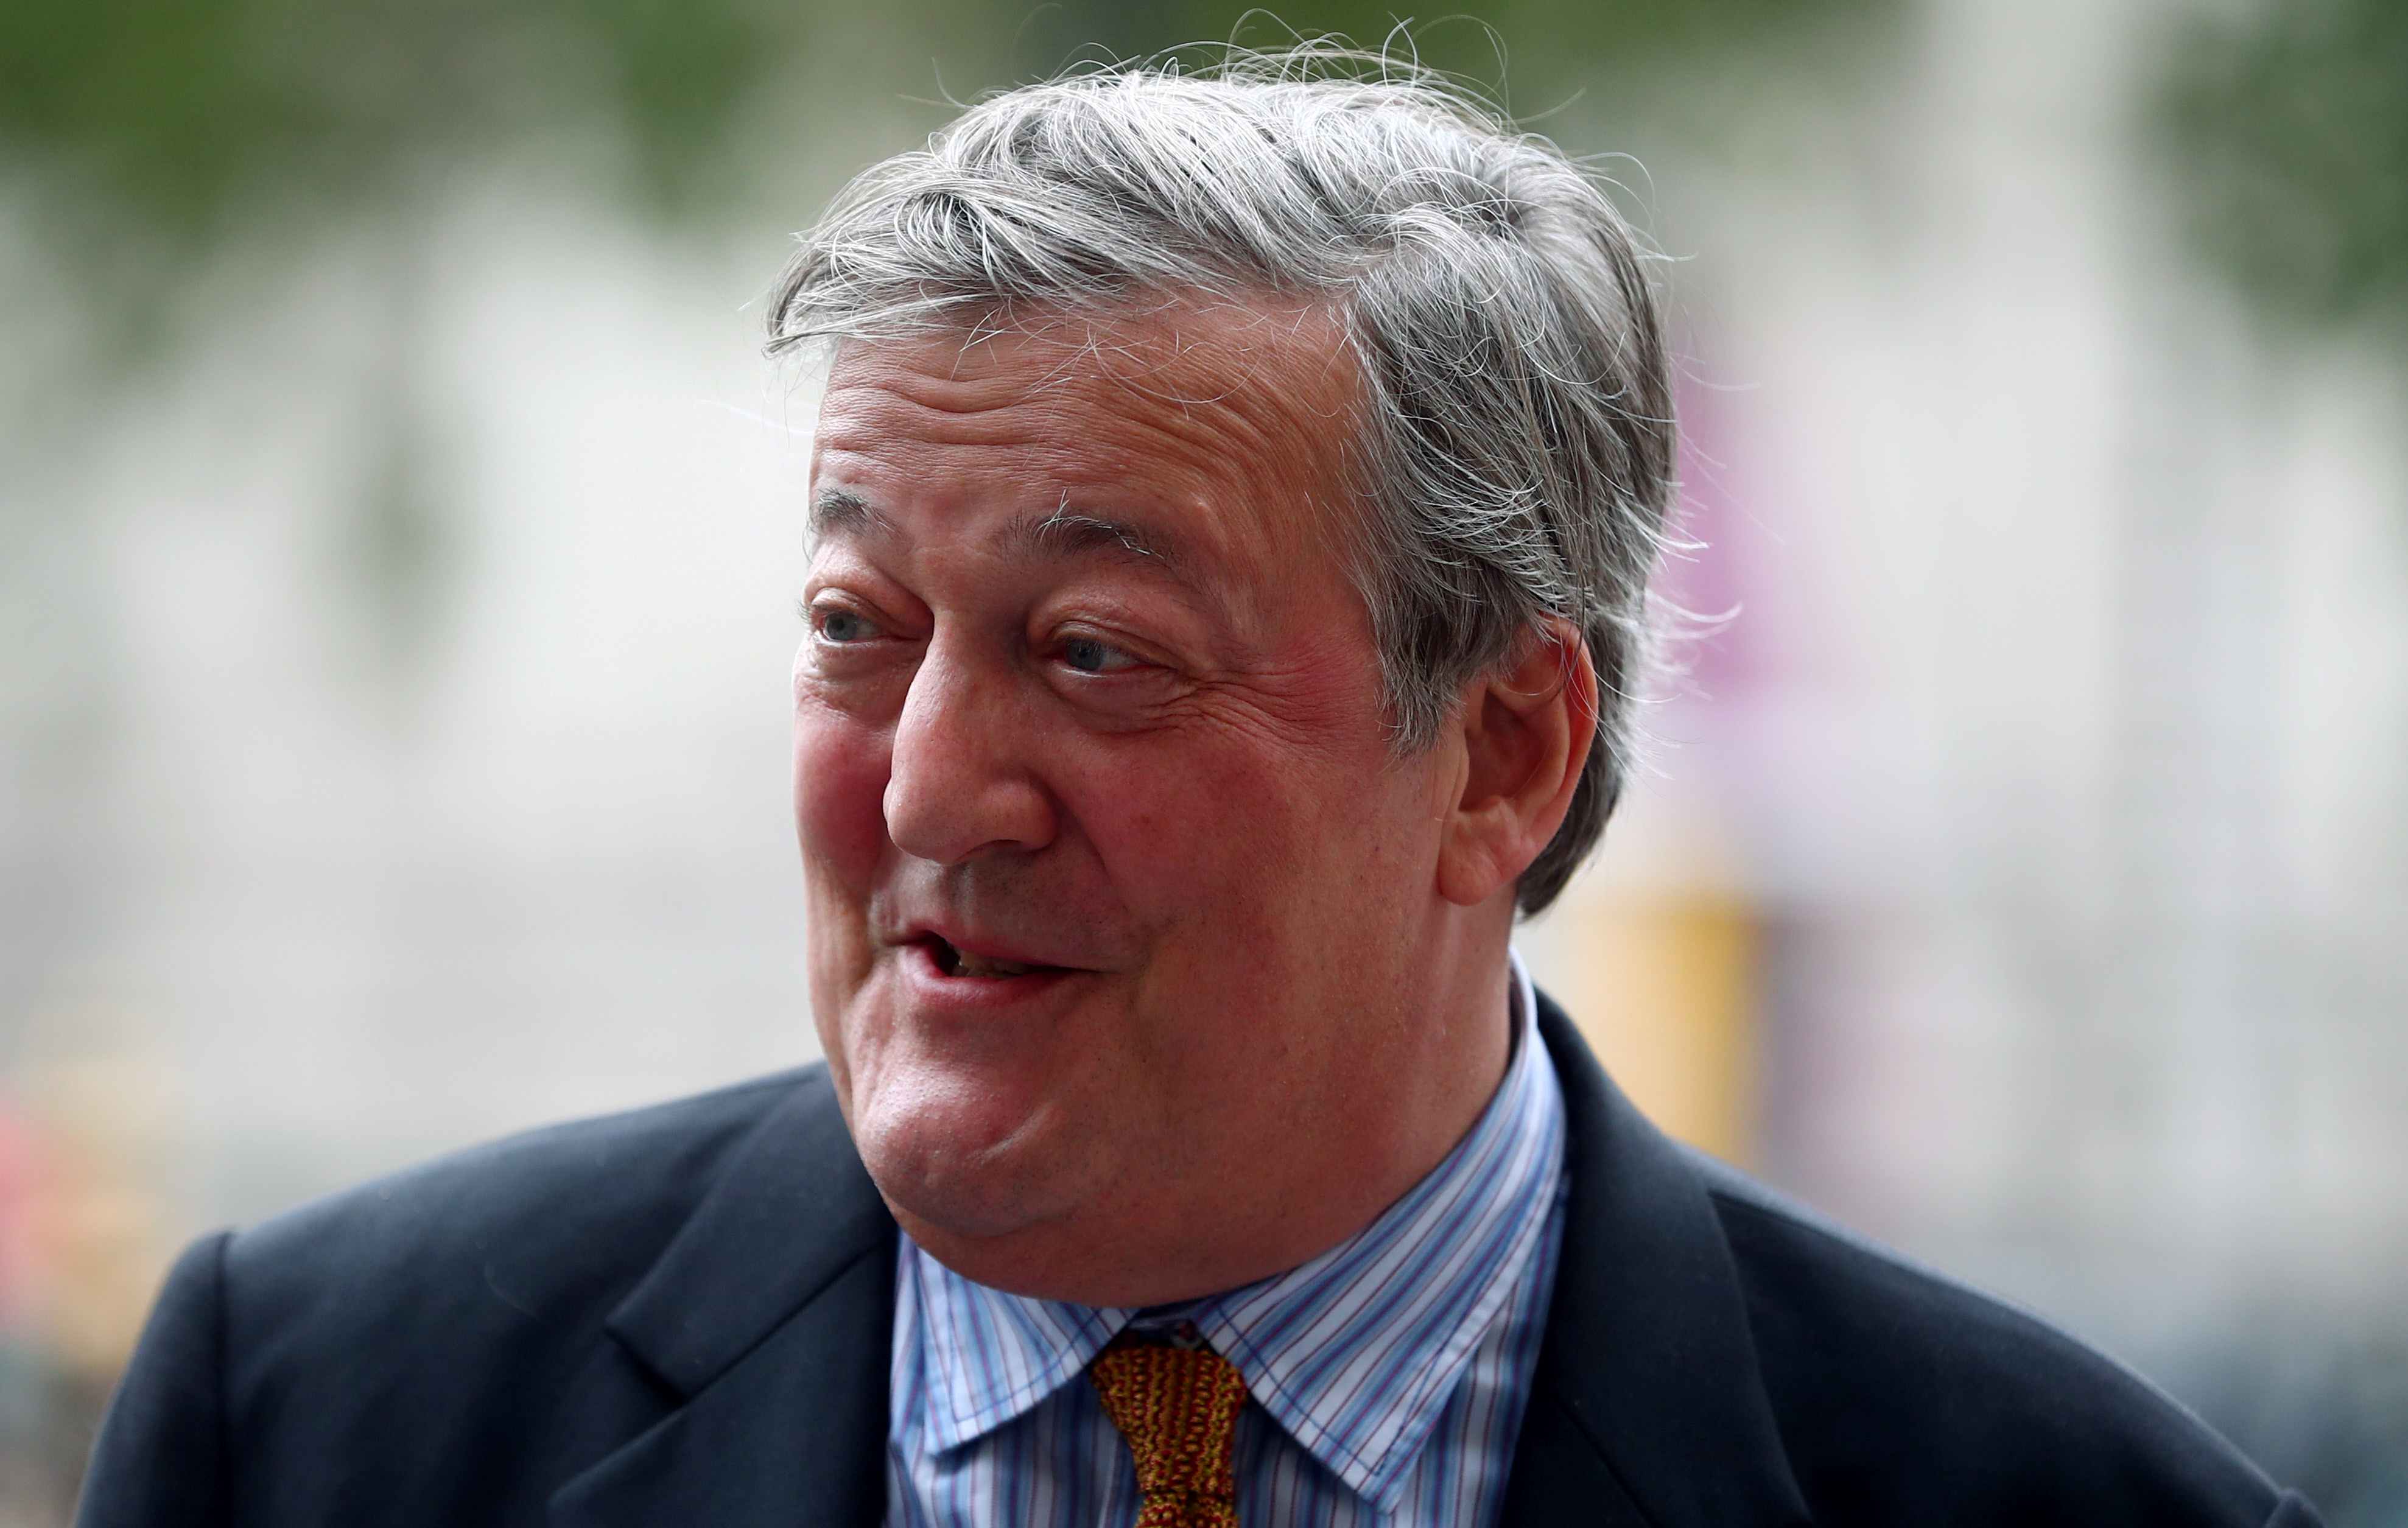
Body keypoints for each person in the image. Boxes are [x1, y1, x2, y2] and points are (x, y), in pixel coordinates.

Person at [77, 55, 2318, 1528]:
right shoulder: (317, 1420)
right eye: (860, 632)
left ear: (1503, 752)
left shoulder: (2066, 1501)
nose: (935, 784)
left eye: (1096, 658)